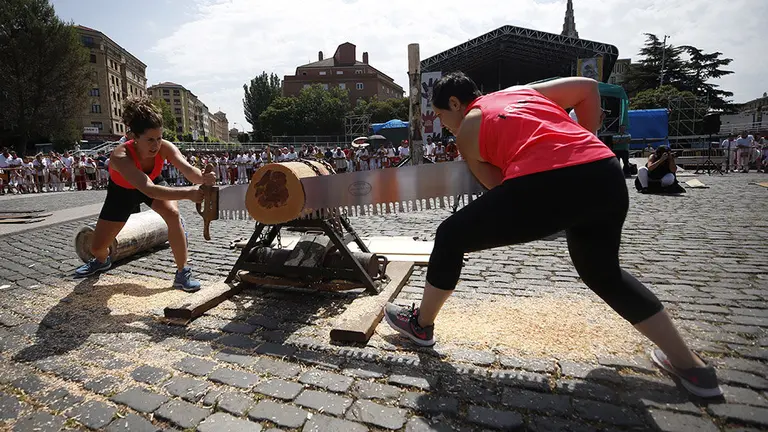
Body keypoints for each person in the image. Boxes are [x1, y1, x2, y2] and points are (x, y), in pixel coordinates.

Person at [382, 72, 722, 398]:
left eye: (441, 115)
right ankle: (691, 367)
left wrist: (544, 183)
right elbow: (588, 88)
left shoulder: (468, 129)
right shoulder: (521, 91)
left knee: (450, 235)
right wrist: (581, 143)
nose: (443, 123)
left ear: (456, 104)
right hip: (604, 174)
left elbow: (499, 188)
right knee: (605, 275)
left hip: (544, 184)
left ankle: (421, 325)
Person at [74, 97, 215, 292]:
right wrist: (188, 193)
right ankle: (101, 261)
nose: (156, 145)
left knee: (173, 214)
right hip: (123, 192)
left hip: (154, 183)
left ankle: (183, 272)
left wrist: (204, 178)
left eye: (159, 138)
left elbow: (189, 171)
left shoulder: (165, 147)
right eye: (150, 139)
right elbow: (147, 188)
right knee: (97, 248)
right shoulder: (120, 155)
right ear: (134, 137)